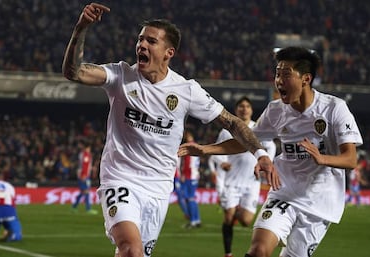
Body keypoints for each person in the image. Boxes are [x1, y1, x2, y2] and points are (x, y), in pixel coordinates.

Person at [62, 3, 279, 257]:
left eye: (151, 41)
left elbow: (231, 122)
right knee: (131, 249)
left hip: (159, 188)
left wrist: (261, 155)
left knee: (136, 253)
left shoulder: (186, 90)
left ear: (168, 52)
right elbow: (74, 72)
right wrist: (80, 29)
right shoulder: (120, 76)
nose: (141, 45)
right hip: (120, 179)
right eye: (140, 39)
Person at [178, 46, 363, 257]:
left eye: (286, 74)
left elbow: (350, 159)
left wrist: (322, 158)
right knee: (258, 250)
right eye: (277, 73)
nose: (279, 80)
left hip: (319, 202)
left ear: (306, 78)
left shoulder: (334, 108)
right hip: (283, 192)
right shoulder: (276, 110)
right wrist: (206, 149)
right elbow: (247, 141)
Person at [213, 97, 276, 257]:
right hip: (232, 181)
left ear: (251, 110)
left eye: (247, 106)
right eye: (241, 106)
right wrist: (222, 163)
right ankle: (228, 253)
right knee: (228, 217)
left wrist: (267, 161)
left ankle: (237, 209)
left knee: (246, 220)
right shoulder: (227, 130)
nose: (244, 109)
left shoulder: (258, 128)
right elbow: (217, 150)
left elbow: (270, 146)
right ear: (236, 110)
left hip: (252, 182)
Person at [179, 130, 202, 228]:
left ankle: (193, 221)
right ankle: (197, 220)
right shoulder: (196, 146)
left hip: (190, 176)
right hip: (194, 175)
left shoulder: (189, 147)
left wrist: (184, 174)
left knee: (189, 198)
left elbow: (188, 163)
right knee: (191, 198)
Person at [72, 142, 98, 214]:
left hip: (84, 175)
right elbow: (85, 165)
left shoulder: (82, 154)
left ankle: (74, 207)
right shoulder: (86, 155)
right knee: (86, 192)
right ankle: (88, 209)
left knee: (83, 192)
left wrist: (91, 169)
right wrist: (84, 175)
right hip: (84, 176)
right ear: (88, 147)